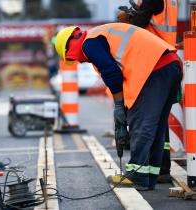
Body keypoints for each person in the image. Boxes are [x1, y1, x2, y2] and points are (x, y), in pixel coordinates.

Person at [54, 23, 182, 190]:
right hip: (170, 65)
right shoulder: (100, 35)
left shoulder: (89, 43)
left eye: (71, 57)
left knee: (141, 125)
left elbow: (112, 73)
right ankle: (148, 176)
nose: (78, 60)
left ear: (70, 45)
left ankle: (137, 175)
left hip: (154, 69)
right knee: (156, 127)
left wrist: (119, 105)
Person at [117, 0, 178, 183]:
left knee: (148, 120)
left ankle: (147, 170)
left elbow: (138, 24)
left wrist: (127, 19)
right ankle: (161, 169)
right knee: (159, 121)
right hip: (166, 58)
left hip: (154, 61)